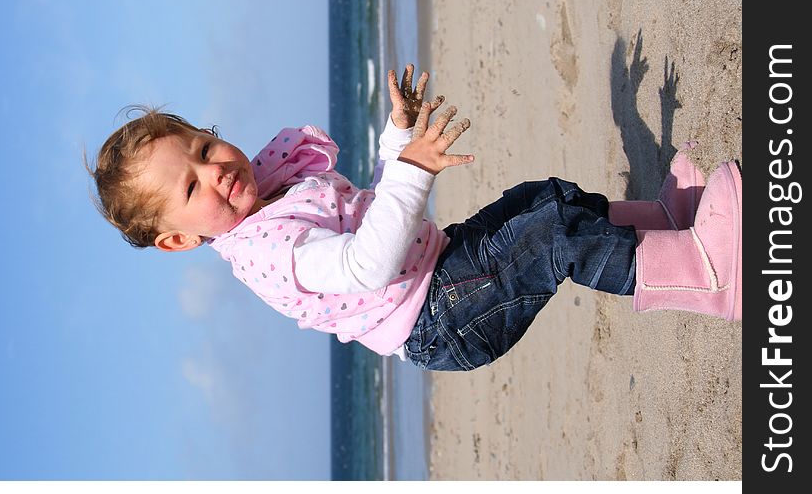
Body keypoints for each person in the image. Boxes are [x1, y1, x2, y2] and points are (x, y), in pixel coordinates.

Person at [88, 64, 741, 371]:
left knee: (545, 200)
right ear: (179, 239)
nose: (217, 170)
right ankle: (706, 274)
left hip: (442, 268)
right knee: (550, 241)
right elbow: (367, 264)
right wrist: (415, 171)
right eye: (193, 184)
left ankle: (662, 227)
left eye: (205, 148)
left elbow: (372, 203)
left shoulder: (275, 187)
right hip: (438, 318)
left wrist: (398, 134)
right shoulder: (267, 254)